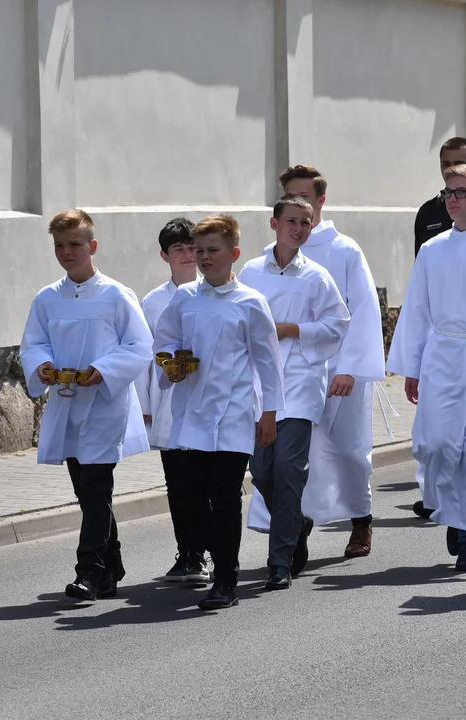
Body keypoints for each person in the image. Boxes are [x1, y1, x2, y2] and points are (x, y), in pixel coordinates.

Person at [20, 209, 153, 601]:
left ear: (92, 246)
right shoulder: (47, 298)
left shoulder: (116, 295)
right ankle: (112, 565)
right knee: (86, 491)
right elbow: (33, 342)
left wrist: (103, 369)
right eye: (60, 245)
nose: (66, 252)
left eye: (75, 244)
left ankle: (89, 573)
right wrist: (41, 365)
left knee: (96, 487)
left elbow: (139, 346)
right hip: (66, 403)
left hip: (104, 405)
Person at [255, 165, 388, 558]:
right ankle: (297, 527)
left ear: (320, 202)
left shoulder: (343, 248)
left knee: (348, 449)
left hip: (339, 367)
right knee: (293, 460)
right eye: (291, 200)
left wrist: (350, 367)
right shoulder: (266, 258)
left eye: (306, 199)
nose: (300, 208)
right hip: (290, 372)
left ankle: (361, 519)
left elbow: (361, 311)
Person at [154, 215, 285, 611]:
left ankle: (226, 580)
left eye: (213, 251)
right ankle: (212, 554)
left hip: (231, 415)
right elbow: (166, 339)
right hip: (191, 412)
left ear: (234, 254)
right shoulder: (185, 298)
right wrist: (172, 365)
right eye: (199, 251)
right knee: (192, 496)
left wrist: (270, 415)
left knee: (225, 498)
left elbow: (268, 362)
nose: (204, 258)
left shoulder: (250, 302)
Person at [387, 163, 466, 572]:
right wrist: (411, 367)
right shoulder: (432, 249)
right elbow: (417, 309)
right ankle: (453, 510)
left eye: (460, 193)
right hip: (441, 356)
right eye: (447, 193)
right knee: (435, 444)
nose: (452, 200)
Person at [238, 196, 349, 589]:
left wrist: (294, 330)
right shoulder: (250, 272)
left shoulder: (317, 277)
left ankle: (279, 561)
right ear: (274, 223)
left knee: (288, 469)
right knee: (262, 471)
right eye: (292, 221)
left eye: (306, 222)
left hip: (301, 382)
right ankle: (295, 521)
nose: (299, 228)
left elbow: (338, 325)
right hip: (258, 387)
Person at [135, 217, 210, 586]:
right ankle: (190, 554)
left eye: (191, 247)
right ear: (165, 255)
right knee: (177, 482)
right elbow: (147, 358)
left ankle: (212, 548)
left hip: (208, 402)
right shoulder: (152, 301)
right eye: (178, 248)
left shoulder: (216, 291)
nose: (187, 254)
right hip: (168, 402)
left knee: (209, 481)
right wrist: (146, 408)